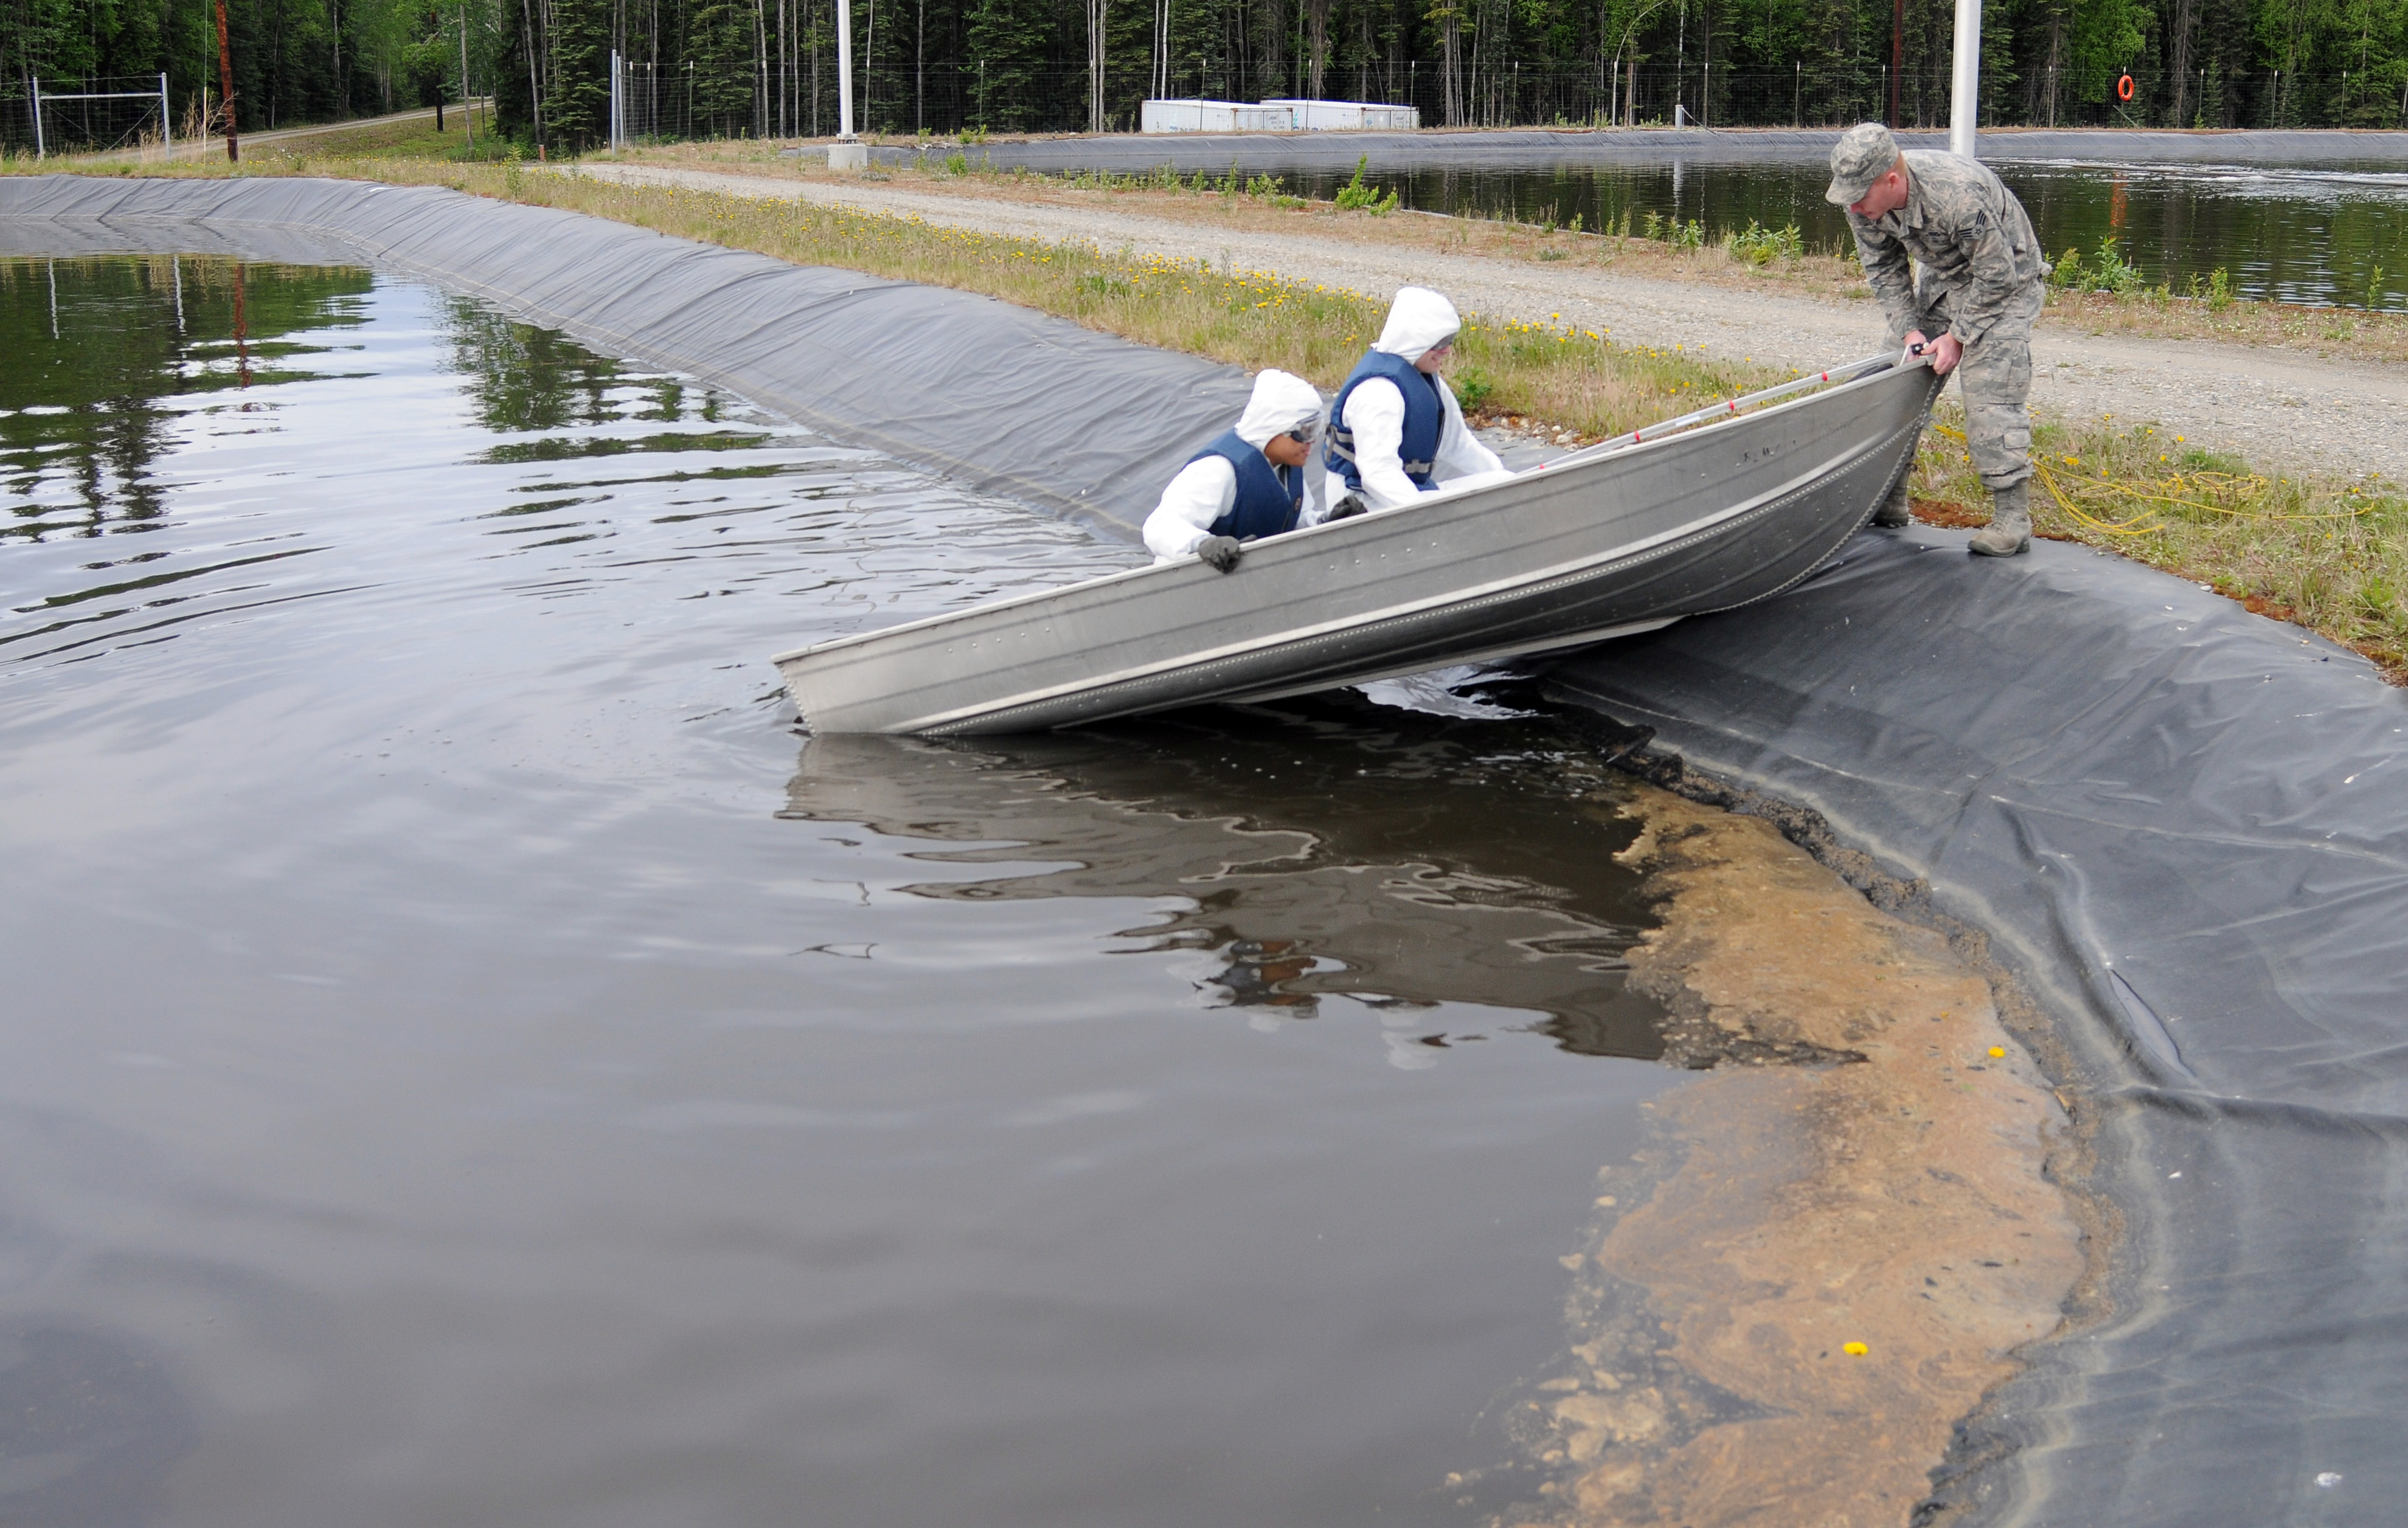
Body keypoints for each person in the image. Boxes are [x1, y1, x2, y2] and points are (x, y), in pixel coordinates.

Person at [1828, 121, 2047, 557]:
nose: (1851, 208)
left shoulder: (1958, 197)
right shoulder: (1863, 204)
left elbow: (1996, 275)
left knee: (1990, 395)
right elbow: (1884, 270)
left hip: (2006, 285)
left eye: (1858, 197)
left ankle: (2011, 519)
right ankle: (1888, 498)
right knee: (1893, 379)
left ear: (1891, 180)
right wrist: (1911, 331)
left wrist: (1957, 338)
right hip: (1946, 279)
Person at [1323, 287, 1516, 516]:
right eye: (1441, 341)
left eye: (1450, 339)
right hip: (1359, 503)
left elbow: (1459, 446)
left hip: (1410, 494)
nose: (1448, 350)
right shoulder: (1378, 392)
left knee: (1502, 481)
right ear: (1415, 340)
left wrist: (1512, 486)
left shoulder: (1429, 383)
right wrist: (1424, 515)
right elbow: (1377, 472)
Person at [1143, 370, 1326, 573]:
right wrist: (1203, 544)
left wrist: (1325, 522)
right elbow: (1159, 526)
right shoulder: (1218, 469)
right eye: (1307, 431)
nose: (1313, 441)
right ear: (1276, 428)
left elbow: (1292, 520)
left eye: (1317, 429)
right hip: (1190, 585)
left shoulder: (1286, 466)